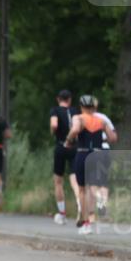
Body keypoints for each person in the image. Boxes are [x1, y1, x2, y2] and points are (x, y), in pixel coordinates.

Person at [65, 95, 117, 236]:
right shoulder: (101, 121)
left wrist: (68, 141)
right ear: (93, 107)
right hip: (98, 155)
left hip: (83, 154)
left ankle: (86, 223)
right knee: (93, 187)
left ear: (81, 106)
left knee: (82, 190)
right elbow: (113, 138)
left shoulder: (78, 118)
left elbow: (75, 130)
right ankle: (99, 203)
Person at [49, 90, 81, 225]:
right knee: (75, 179)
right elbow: (77, 128)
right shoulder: (74, 111)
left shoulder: (55, 110)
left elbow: (54, 124)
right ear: (70, 99)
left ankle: (62, 214)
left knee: (58, 181)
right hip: (74, 147)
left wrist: (52, 132)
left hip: (61, 146)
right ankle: (80, 204)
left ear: (58, 99)